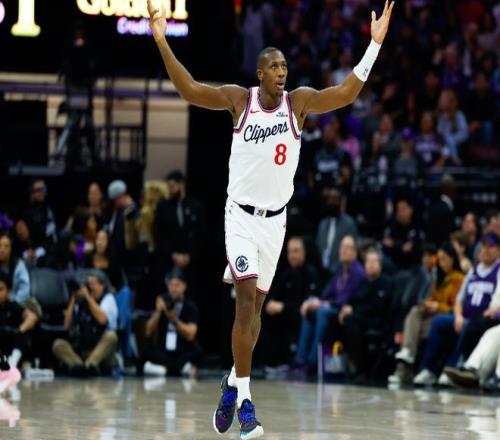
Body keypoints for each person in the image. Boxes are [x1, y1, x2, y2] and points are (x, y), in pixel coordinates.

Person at [147, 1, 394, 437]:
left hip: (275, 223)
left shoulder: (299, 103)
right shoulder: (239, 101)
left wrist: (373, 46)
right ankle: (246, 406)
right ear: (259, 73)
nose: (282, 72)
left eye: (285, 66)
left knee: (255, 316)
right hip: (240, 218)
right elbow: (189, 89)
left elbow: (346, 93)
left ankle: (231, 381)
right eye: (275, 67)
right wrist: (162, 40)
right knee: (244, 303)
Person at [413, 233, 500, 386]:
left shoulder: (498, 270)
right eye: (483, 246)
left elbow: (496, 301)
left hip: (482, 320)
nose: (486, 250)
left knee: (470, 325)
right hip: (464, 317)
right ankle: (427, 369)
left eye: (490, 247)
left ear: (498, 250)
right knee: (438, 321)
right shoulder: (473, 271)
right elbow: (459, 299)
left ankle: (453, 367)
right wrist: (458, 316)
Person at [388, 242, 463, 385]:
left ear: (452, 259)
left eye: (444, 259)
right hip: (432, 317)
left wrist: (438, 306)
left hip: (446, 318)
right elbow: (432, 298)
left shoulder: (459, 279)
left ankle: (406, 369)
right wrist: (427, 304)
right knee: (415, 311)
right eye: (439, 259)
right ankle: (407, 354)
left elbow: (455, 306)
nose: (441, 262)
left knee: (412, 331)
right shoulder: (437, 278)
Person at [294, 236, 365, 370]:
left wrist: (323, 304)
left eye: (348, 247)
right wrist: (314, 301)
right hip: (332, 307)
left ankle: (312, 362)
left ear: (355, 253)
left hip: (346, 310)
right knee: (309, 310)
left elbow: (346, 298)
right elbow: (327, 293)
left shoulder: (358, 272)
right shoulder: (339, 269)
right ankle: (300, 359)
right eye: (342, 247)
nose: (343, 250)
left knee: (322, 312)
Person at [258, 236, 321, 367]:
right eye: (290, 252)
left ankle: (294, 361)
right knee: (265, 314)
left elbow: (308, 303)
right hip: (285, 314)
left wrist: (283, 307)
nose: (292, 256)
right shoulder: (286, 274)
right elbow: (273, 297)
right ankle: (269, 362)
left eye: (296, 251)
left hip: (302, 315)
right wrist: (270, 304)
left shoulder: (311, 274)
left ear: (304, 252)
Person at [336, 247, 392, 382]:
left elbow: (377, 307)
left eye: (374, 261)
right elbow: (353, 300)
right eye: (368, 262)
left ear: (380, 264)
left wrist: (353, 310)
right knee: (337, 319)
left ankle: (360, 368)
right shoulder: (363, 282)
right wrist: (346, 308)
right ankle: (337, 366)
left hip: (378, 321)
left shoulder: (386, 283)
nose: (371, 265)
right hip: (361, 319)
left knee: (351, 321)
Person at [52, 271, 118, 377]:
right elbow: (66, 326)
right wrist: (73, 299)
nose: (90, 287)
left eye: (93, 284)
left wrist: (88, 297)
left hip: (100, 352)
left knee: (111, 336)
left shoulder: (108, 299)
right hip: (82, 351)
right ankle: (81, 366)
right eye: (88, 284)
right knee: (58, 344)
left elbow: (102, 320)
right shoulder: (81, 302)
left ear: (102, 285)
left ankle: (90, 365)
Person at [139, 269, 202, 377]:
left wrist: (174, 320)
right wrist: (158, 312)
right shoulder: (162, 302)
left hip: (181, 350)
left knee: (197, 351)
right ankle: (179, 369)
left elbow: (191, 335)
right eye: (171, 285)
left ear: (184, 286)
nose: (174, 288)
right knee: (145, 351)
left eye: (177, 285)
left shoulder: (190, 306)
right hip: (163, 350)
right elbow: (148, 332)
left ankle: (161, 370)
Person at [0, 272, 38, 393]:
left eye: (1, 289)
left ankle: (13, 363)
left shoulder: (13, 306)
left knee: (24, 332)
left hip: (13, 347)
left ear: (9, 291)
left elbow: (32, 317)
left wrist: (19, 330)